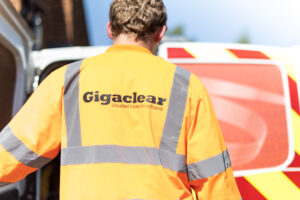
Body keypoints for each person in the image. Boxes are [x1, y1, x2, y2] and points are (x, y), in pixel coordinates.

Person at [0, 0, 241, 199]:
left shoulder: (67, 81)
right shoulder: (187, 88)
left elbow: (10, 155)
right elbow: (216, 184)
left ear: (110, 29)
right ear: (160, 33)